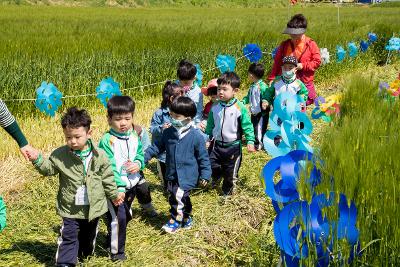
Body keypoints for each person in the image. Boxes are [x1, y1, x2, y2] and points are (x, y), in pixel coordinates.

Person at [26, 107, 123, 267]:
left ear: (89, 133)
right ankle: (65, 263)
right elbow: (49, 168)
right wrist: (37, 159)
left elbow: (107, 177)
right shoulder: (60, 155)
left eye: (77, 137)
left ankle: (84, 252)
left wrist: (114, 194)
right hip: (70, 207)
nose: (73, 141)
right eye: (68, 137)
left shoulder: (99, 155)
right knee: (69, 236)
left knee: (87, 238)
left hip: (93, 207)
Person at [98, 95, 157, 261]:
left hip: (132, 185)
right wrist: (119, 187)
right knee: (119, 219)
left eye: (127, 118)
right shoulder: (107, 141)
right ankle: (117, 252)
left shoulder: (133, 136)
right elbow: (109, 167)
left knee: (126, 216)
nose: (123, 123)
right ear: (109, 120)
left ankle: (112, 234)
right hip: (115, 189)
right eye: (118, 119)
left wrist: (139, 164)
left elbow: (139, 153)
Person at [145, 96, 211, 234]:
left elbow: (203, 157)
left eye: (177, 116)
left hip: (187, 175)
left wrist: (205, 174)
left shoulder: (196, 136)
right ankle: (186, 218)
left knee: (177, 196)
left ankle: (175, 220)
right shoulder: (168, 132)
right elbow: (157, 147)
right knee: (177, 196)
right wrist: (143, 157)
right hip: (172, 173)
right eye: (171, 115)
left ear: (188, 119)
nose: (172, 118)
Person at [205, 72, 256, 196]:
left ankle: (227, 193)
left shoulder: (239, 108)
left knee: (230, 172)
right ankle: (216, 178)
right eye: (218, 89)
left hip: (232, 147)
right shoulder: (215, 107)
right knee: (212, 165)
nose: (220, 92)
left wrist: (250, 140)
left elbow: (247, 126)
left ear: (235, 90)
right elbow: (210, 125)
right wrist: (207, 138)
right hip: (216, 145)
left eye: (224, 89)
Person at [268, 13, 321, 106]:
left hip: (304, 83)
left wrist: (303, 65)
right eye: (290, 33)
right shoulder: (284, 45)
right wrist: (272, 78)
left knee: (300, 111)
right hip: (285, 83)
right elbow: (277, 63)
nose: (292, 35)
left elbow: (317, 62)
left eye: (294, 33)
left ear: (302, 32)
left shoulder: (311, 44)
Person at [149, 81, 183, 190]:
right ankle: (167, 188)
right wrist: (161, 128)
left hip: (175, 148)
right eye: (180, 95)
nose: (183, 97)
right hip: (162, 151)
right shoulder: (159, 113)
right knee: (164, 171)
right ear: (172, 98)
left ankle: (175, 187)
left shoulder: (180, 111)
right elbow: (152, 129)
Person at [242, 63, 270, 150]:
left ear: (251, 75)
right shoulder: (252, 86)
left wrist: (265, 104)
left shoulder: (262, 86)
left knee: (260, 128)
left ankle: (259, 144)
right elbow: (248, 97)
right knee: (254, 127)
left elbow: (267, 96)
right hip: (254, 111)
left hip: (261, 112)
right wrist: (243, 101)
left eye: (248, 73)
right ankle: (255, 141)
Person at [177, 60, 203, 125]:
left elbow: (198, 111)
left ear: (194, 78)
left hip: (191, 122)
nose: (183, 84)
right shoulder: (175, 87)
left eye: (186, 82)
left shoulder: (198, 92)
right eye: (180, 81)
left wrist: (197, 124)